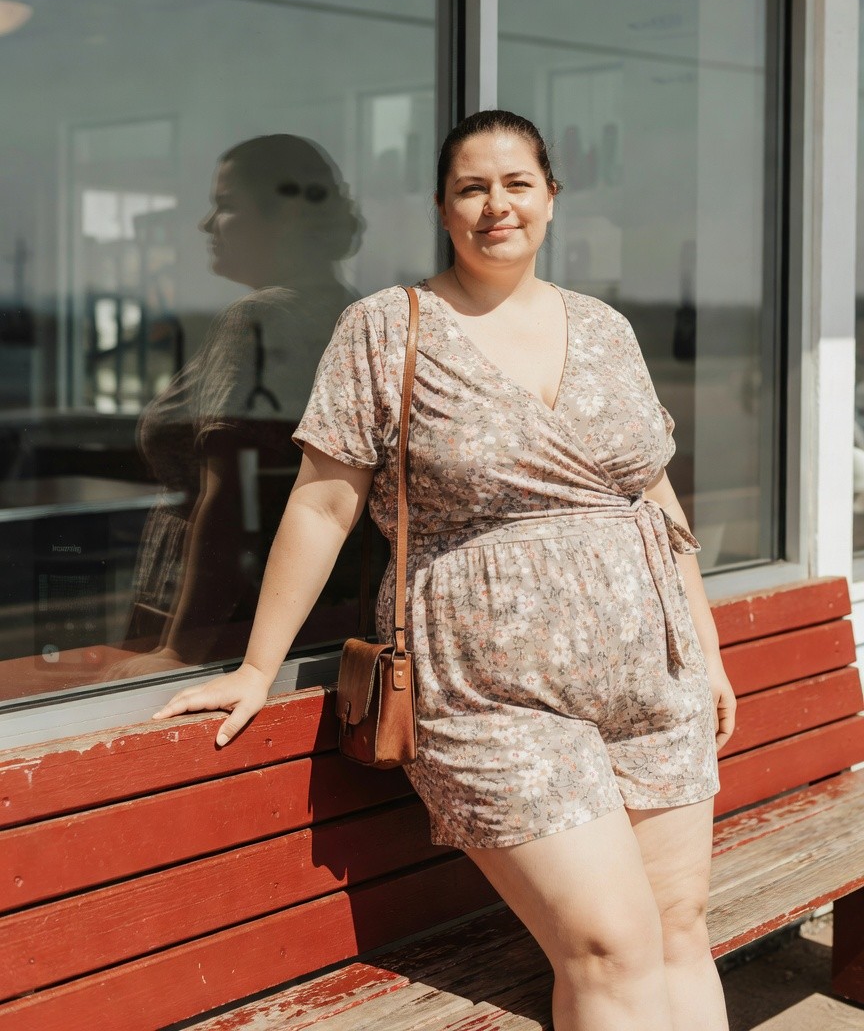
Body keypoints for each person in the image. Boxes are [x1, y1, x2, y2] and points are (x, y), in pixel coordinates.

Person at [154, 110, 736, 1031]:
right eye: (471, 187)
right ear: (440, 207)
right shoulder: (388, 328)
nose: (495, 205)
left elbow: (651, 494)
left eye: (515, 184)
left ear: (550, 197)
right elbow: (320, 502)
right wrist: (257, 667)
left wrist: (704, 646)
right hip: (493, 694)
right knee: (608, 947)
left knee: (678, 931)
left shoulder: (605, 328)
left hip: (652, 680)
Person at [115, 134, 362, 674]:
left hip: (204, 621)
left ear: (285, 218)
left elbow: (228, 496)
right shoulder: (347, 312)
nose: (207, 225)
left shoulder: (256, 319)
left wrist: (178, 651)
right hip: (291, 618)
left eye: (225, 205)